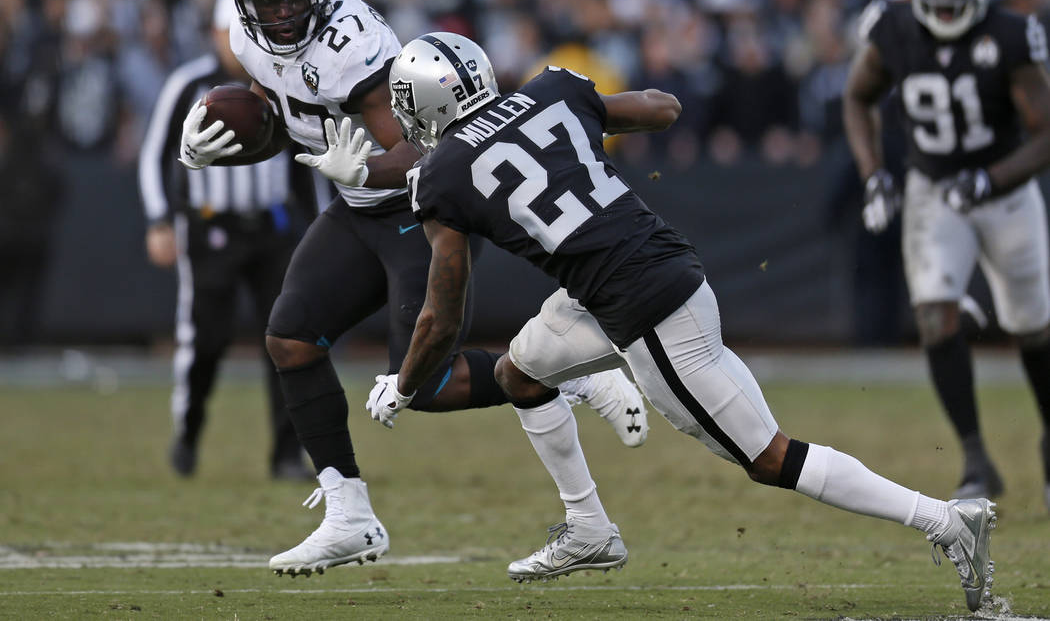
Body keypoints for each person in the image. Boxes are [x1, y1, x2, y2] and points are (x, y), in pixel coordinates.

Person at [321, 30, 999, 612]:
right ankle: (589, 529)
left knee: (768, 457)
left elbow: (443, 312)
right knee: (520, 374)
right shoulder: (552, 89)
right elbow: (661, 107)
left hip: (645, 310)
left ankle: (944, 520)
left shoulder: (443, 174)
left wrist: (406, 382)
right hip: (630, 276)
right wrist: (595, 121)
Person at [177, 0, 648, 576]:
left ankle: (564, 373)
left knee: (423, 385)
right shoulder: (244, 38)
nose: (282, 15)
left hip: (421, 212)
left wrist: (366, 173)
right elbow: (283, 119)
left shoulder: (352, 47)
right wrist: (220, 150)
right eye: (268, 2)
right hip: (359, 209)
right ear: (245, 0)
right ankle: (348, 515)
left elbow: (425, 148)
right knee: (289, 337)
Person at [843, 0, 1050, 507]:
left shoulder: (1009, 35)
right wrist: (872, 174)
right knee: (935, 316)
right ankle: (977, 459)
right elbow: (856, 96)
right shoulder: (894, 28)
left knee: (1034, 328)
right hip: (935, 189)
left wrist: (991, 178)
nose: (945, 1)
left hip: (1004, 191)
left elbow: (1046, 132)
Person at [138, 0, 318, 480]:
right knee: (206, 339)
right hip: (211, 227)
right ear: (217, 33)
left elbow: (307, 157)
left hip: (274, 227)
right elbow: (156, 155)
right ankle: (188, 434)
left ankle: (285, 453)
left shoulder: (281, 79)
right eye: (229, 32)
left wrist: (318, 224)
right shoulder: (188, 84)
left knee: (287, 339)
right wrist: (160, 218)